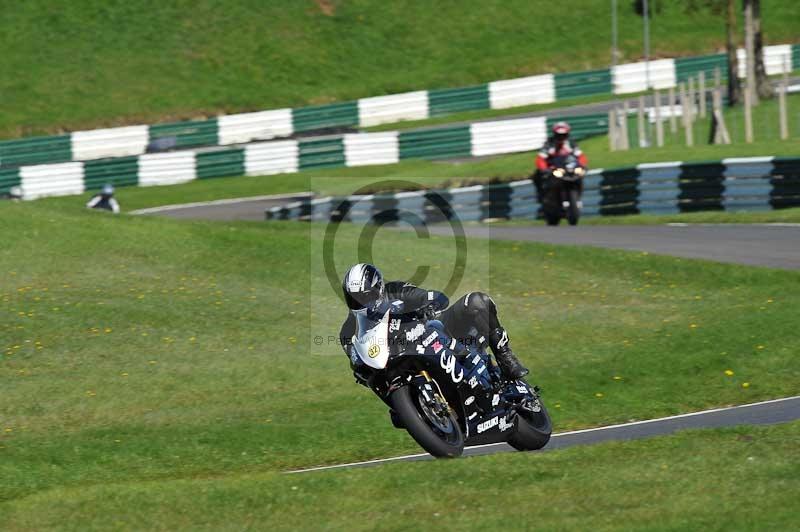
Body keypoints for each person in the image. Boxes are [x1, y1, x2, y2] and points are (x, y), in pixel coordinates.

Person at [338, 263, 529, 386]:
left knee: (477, 301)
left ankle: (505, 357)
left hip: (433, 332)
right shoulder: (349, 329)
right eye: (354, 298)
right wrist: (361, 370)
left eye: (366, 296)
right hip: (398, 362)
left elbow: (431, 296)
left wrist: (431, 305)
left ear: (379, 288)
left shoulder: (395, 290)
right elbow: (355, 358)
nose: (362, 302)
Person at [532, 121, 589, 204]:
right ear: (554, 134)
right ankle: (542, 196)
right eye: (559, 135)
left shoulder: (571, 144)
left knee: (580, 175)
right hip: (554, 169)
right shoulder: (548, 144)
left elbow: (581, 156)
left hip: (569, 169)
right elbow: (540, 158)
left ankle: (578, 196)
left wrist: (582, 165)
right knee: (537, 176)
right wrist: (544, 169)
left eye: (564, 135)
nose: (561, 138)